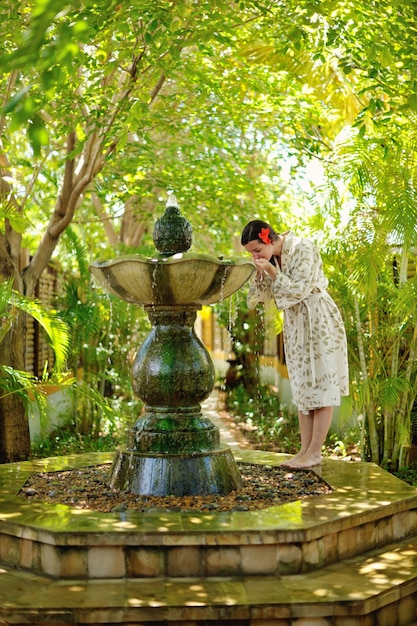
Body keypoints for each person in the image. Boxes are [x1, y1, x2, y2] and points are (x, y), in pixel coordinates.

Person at [241, 219, 349, 468]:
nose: (256, 255)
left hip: (317, 317)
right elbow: (260, 298)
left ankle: (315, 452)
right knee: (303, 385)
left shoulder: (302, 247)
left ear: (268, 238)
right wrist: (260, 275)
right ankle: (304, 451)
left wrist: (270, 271)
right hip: (295, 323)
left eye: (257, 250)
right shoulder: (273, 261)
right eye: (251, 253)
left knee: (321, 383)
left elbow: (298, 289)